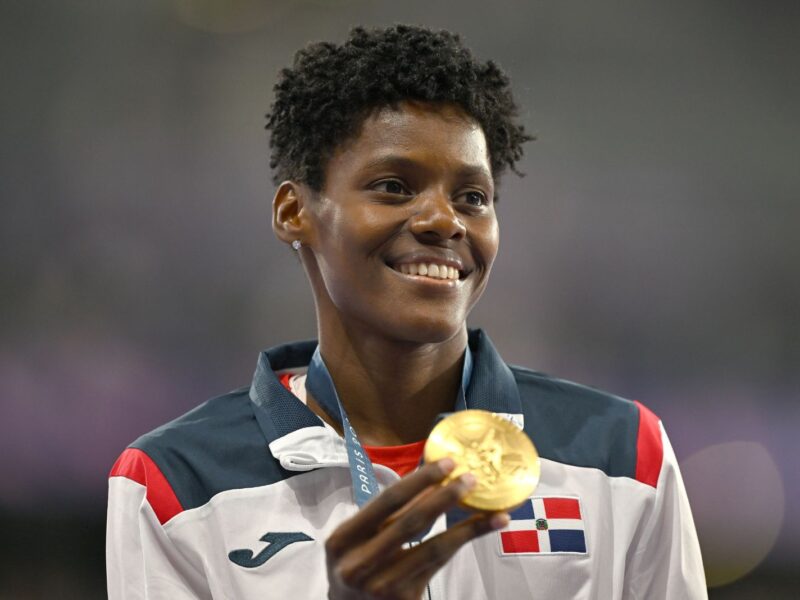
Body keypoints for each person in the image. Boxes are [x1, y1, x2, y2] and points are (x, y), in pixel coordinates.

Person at [106, 25, 706, 599]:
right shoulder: (172, 484)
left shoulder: (622, 456)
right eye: (394, 186)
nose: (444, 221)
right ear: (296, 213)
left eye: (473, 197)